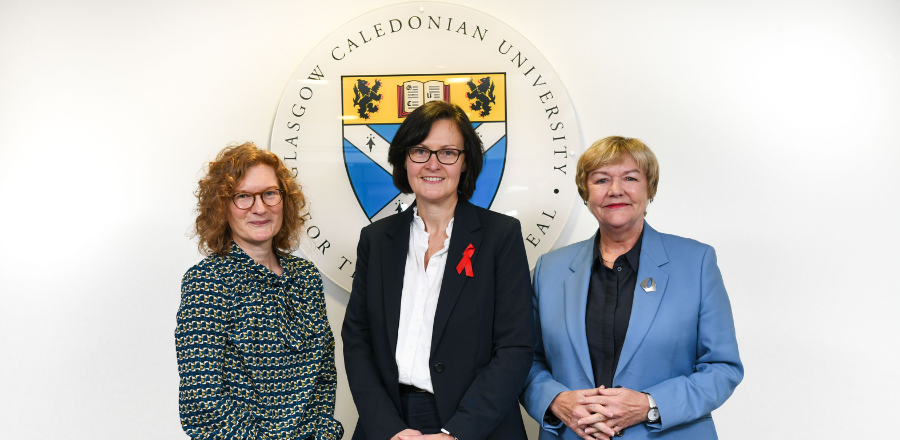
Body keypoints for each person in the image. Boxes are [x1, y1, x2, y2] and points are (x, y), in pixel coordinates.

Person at [521, 136, 743, 440]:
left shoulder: (696, 262)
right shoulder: (550, 270)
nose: (615, 190)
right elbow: (524, 360)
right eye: (601, 180)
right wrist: (556, 401)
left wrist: (650, 405)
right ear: (586, 192)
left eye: (630, 178)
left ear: (649, 188)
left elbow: (722, 367)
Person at [342, 101, 534, 440]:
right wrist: (391, 429)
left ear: (465, 162)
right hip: (390, 423)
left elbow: (514, 347)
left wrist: (456, 433)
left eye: (447, 152)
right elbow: (358, 339)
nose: (432, 164)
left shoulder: (500, 236)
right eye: (420, 151)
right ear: (404, 159)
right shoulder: (376, 240)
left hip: (475, 425)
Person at [175, 142, 343, 440]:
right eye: (243, 196)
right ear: (221, 208)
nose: (260, 207)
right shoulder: (207, 281)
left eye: (269, 193)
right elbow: (202, 400)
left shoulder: (306, 278)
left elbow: (324, 377)